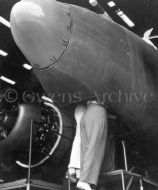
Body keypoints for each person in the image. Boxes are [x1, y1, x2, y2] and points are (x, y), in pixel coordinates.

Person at [77, 100, 108, 190]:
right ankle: (84, 180)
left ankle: (85, 180)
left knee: (86, 147)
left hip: (88, 111)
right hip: (98, 111)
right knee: (95, 145)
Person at [67, 104, 86, 183]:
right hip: (81, 110)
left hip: (80, 111)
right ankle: (72, 171)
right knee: (79, 139)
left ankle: (75, 173)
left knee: (79, 140)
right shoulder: (81, 109)